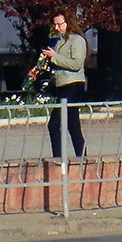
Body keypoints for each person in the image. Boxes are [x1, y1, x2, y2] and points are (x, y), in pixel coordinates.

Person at [43, 10, 88, 159]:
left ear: (68, 23)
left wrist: (55, 57)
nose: (56, 28)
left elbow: (76, 64)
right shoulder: (59, 41)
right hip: (62, 85)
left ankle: (58, 159)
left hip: (73, 84)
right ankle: (82, 157)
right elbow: (58, 61)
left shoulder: (77, 40)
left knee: (54, 124)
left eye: (59, 24)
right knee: (73, 124)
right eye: (54, 25)